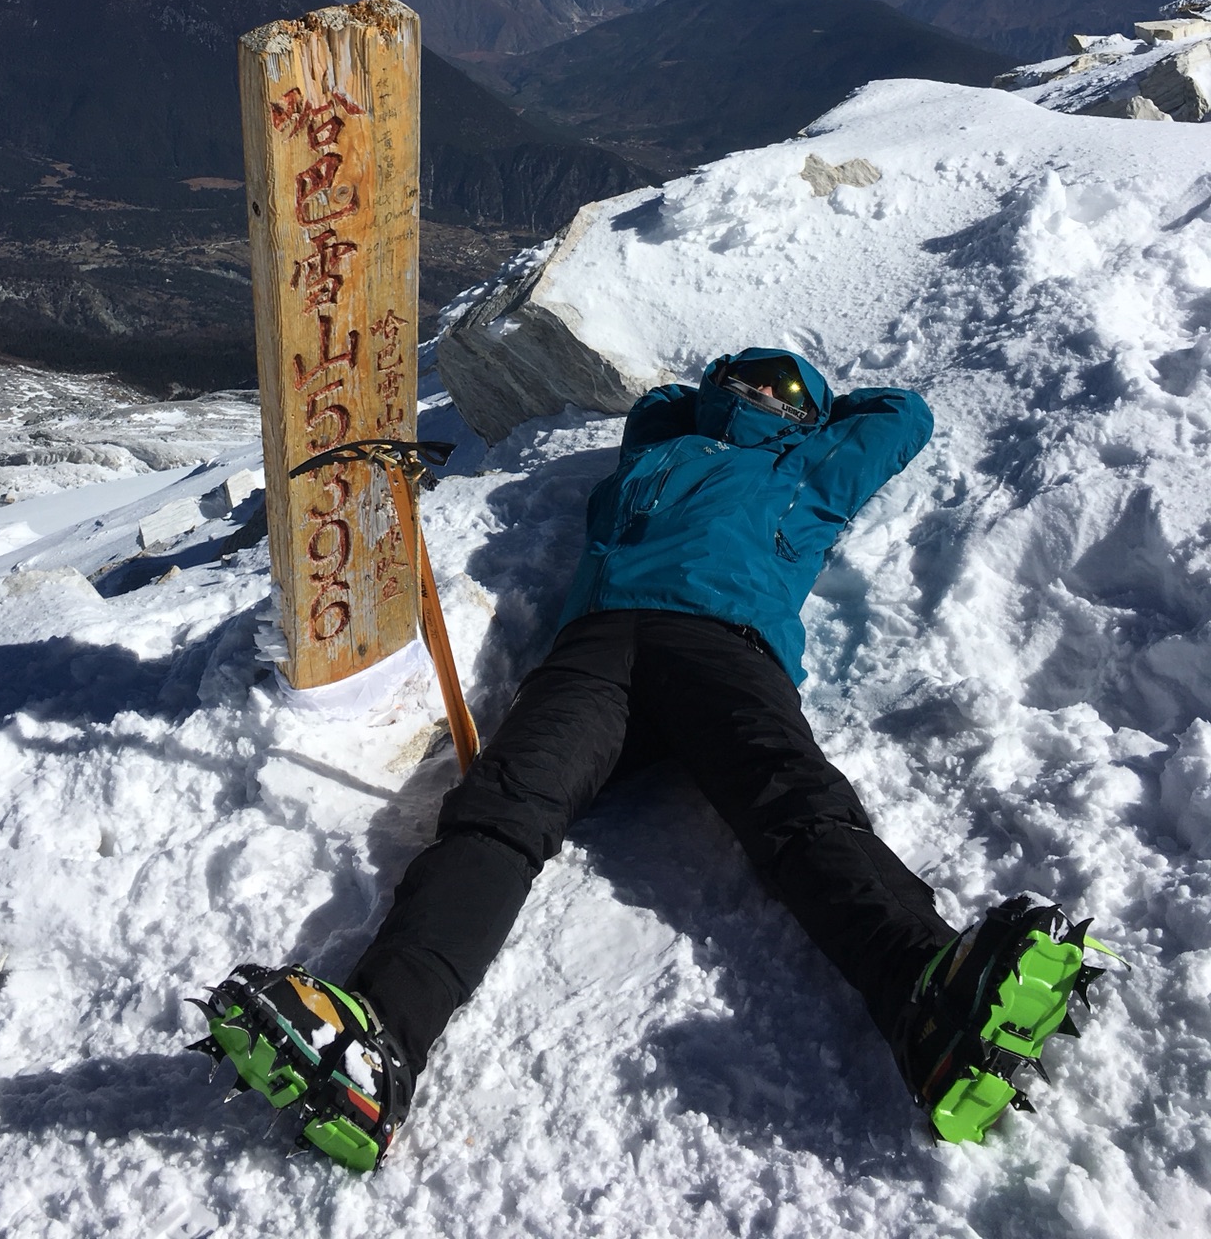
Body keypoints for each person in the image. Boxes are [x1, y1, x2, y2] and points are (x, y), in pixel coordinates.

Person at [192, 348, 1101, 1172]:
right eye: (747, 377)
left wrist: (820, 410)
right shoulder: (660, 448)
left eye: (786, 387)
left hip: (726, 646)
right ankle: (376, 1045)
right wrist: (732, 395)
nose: (761, 393)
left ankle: (929, 1002)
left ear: (812, 414)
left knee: (796, 805)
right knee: (499, 812)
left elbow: (903, 414)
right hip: (597, 650)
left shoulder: (815, 465)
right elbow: (663, 401)